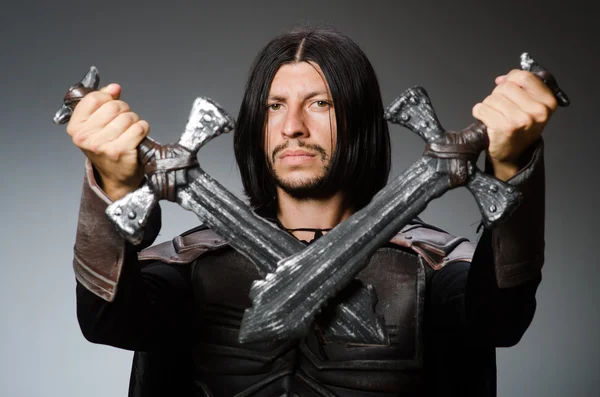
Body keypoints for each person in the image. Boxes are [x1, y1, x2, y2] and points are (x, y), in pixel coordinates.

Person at [67, 28, 556, 396]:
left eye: (320, 103)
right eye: (275, 106)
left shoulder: (433, 265)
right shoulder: (192, 263)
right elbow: (108, 321)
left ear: (361, 121)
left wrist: (511, 165)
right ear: (257, 127)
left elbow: (500, 319)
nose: (293, 127)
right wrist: (111, 183)